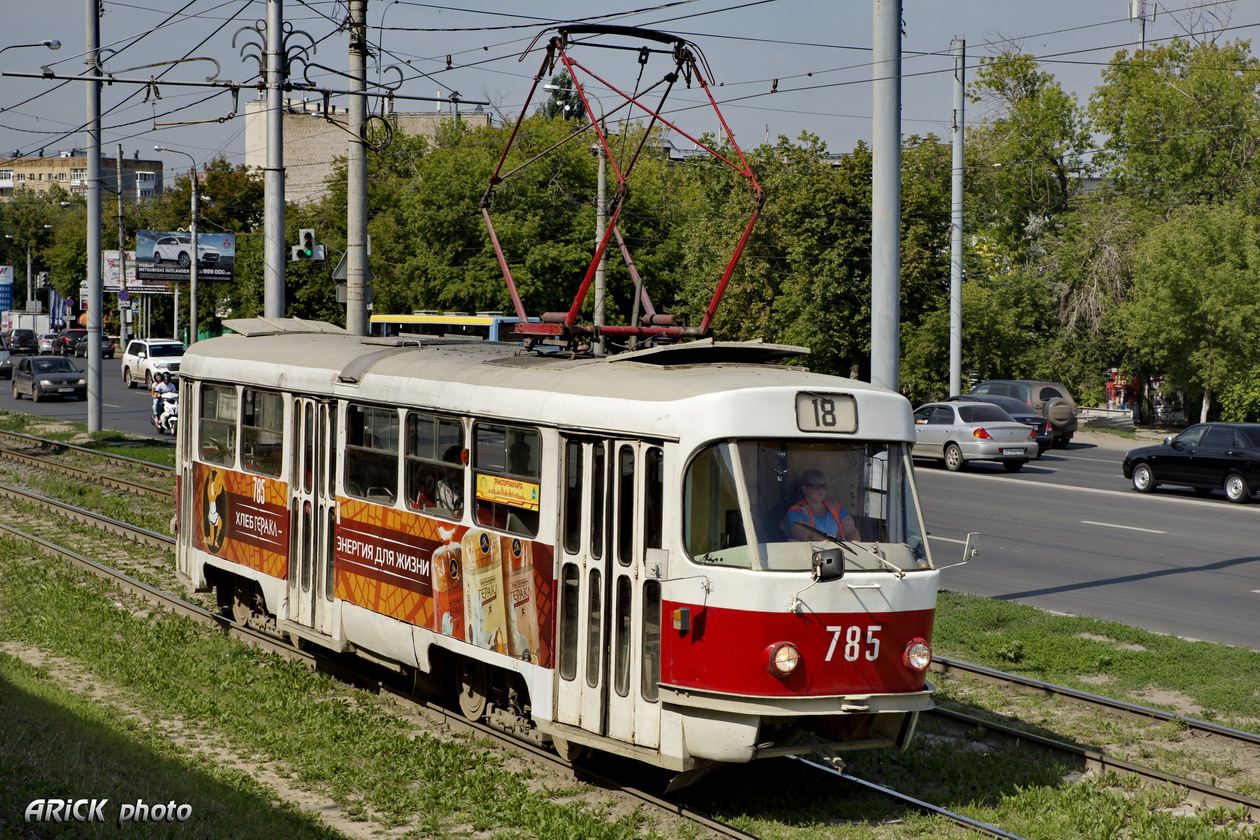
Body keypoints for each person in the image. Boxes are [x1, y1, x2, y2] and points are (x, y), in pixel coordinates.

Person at [781, 469, 860, 541]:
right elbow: (809, 535)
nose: (821, 490)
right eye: (815, 486)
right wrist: (832, 545)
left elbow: (851, 530)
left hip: (836, 550)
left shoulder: (836, 508)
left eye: (823, 486)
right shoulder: (796, 512)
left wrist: (855, 545)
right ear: (804, 489)